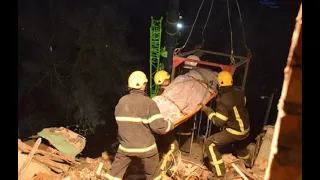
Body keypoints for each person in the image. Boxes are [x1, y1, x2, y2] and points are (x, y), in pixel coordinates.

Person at [106, 70, 174, 180]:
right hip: (146, 149)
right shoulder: (149, 103)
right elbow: (160, 128)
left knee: (113, 175)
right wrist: (171, 124)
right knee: (154, 176)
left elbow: (120, 123)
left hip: (126, 148)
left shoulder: (121, 102)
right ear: (143, 85)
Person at [200, 71, 253, 179]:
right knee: (240, 145)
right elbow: (241, 103)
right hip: (246, 129)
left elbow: (219, 122)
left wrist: (207, 110)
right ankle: (248, 165)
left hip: (235, 130)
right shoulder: (240, 92)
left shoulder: (223, 100)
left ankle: (220, 174)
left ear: (219, 84)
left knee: (209, 143)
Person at [154, 70, 179, 176]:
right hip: (165, 127)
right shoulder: (164, 95)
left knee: (164, 147)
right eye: (161, 86)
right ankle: (162, 170)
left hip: (162, 128)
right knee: (172, 147)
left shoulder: (161, 94)